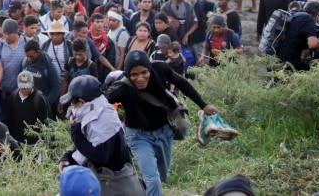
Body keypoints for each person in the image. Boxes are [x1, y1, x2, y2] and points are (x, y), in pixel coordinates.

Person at [105, 51, 218, 196]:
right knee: (153, 179)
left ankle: (139, 189)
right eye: (134, 74)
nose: (140, 78)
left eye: (144, 72)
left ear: (149, 68)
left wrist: (203, 105)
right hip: (138, 136)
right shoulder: (121, 87)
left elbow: (181, 83)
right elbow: (103, 102)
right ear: (128, 74)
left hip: (164, 131)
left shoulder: (160, 69)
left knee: (162, 176)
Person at [58, 75, 144, 193]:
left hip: (116, 185)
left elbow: (99, 156)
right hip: (105, 184)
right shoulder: (95, 114)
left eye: (73, 103)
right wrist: (68, 158)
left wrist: (75, 131)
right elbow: (88, 145)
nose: (72, 108)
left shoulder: (104, 120)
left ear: (82, 102)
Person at [1, 71, 49, 145]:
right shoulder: (13, 96)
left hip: (34, 143)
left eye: (26, 86)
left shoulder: (40, 100)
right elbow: (8, 119)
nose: (24, 89)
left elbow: (46, 123)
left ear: (32, 84)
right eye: (21, 86)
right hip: (16, 141)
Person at [276, 0, 319, 71]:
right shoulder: (308, 20)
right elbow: (312, 44)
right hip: (290, 60)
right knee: (311, 69)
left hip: (278, 55)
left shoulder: (296, 14)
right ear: (318, 15)